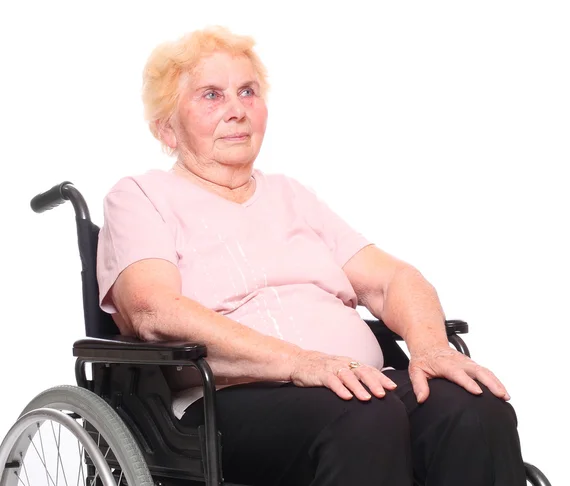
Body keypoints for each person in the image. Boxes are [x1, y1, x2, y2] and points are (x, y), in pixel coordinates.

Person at [97, 26, 526, 486]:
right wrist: (301, 362)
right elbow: (153, 310)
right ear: (167, 129)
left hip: (355, 384)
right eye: (211, 96)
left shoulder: (292, 196)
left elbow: (393, 280)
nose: (237, 111)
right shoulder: (141, 196)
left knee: (473, 408)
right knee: (366, 418)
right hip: (227, 401)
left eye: (247, 91)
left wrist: (430, 348)